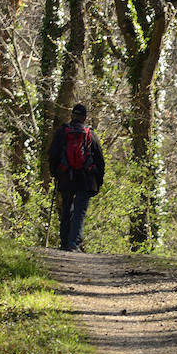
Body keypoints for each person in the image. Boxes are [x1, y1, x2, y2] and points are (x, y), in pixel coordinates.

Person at [47, 103, 105, 252]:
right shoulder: (90, 134)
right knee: (80, 210)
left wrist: (55, 172)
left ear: (72, 115)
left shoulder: (62, 132)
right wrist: (99, 180)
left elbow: (52, 153)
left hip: (66, 176)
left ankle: (65, 242)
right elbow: (100, 159)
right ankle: (74, 243)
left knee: (67, 208)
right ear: (85, 118)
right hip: (86, 178)